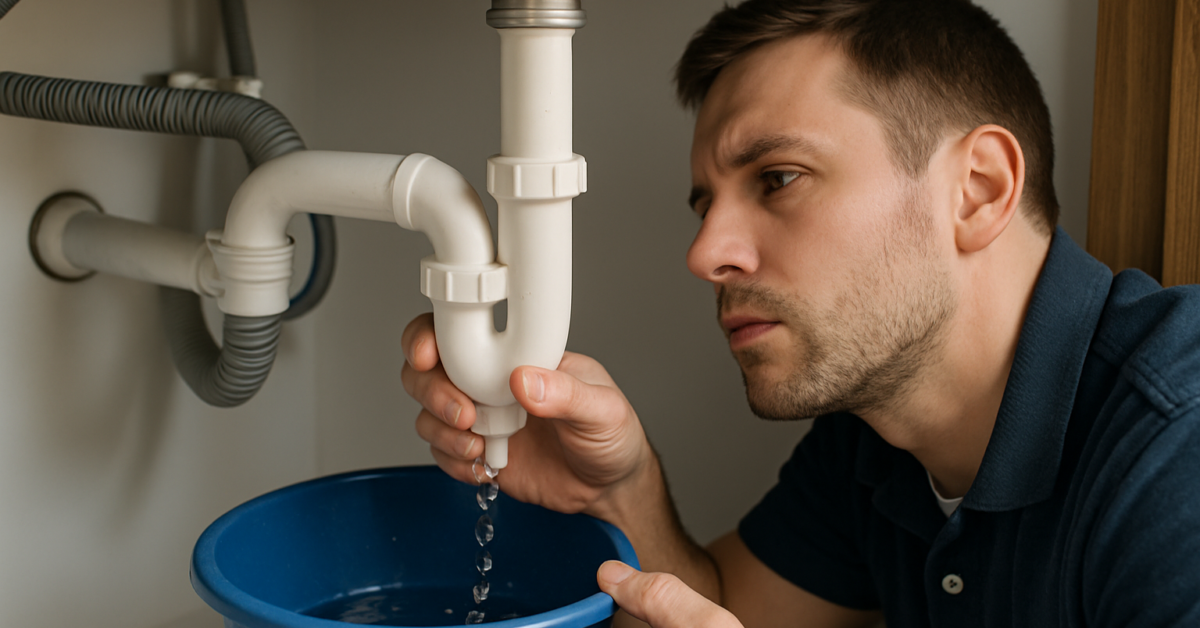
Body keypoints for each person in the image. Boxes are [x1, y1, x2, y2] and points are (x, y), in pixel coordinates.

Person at [402, 0, 1200, 626]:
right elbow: (727, 610)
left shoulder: (1175, 455)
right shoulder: (875, 438)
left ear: (980, 188)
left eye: (777, 179)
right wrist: (616, 489)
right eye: (705, 205)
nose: (705, 253)